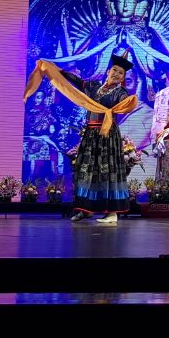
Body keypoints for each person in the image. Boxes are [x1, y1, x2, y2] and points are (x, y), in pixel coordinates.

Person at [59, 50, 136, 224]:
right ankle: (85, 210)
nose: (116, 74)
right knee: (86, 170)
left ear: (123, 77)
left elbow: (126, 103)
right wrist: (60, 72)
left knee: (107, 171)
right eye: (114, 70)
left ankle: (112, 213)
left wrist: (129, 102)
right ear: (108, 71)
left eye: (121, 73)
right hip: (91, 134)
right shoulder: (94, 87)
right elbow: (78, 81)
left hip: (107, 135)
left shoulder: (120, 92)